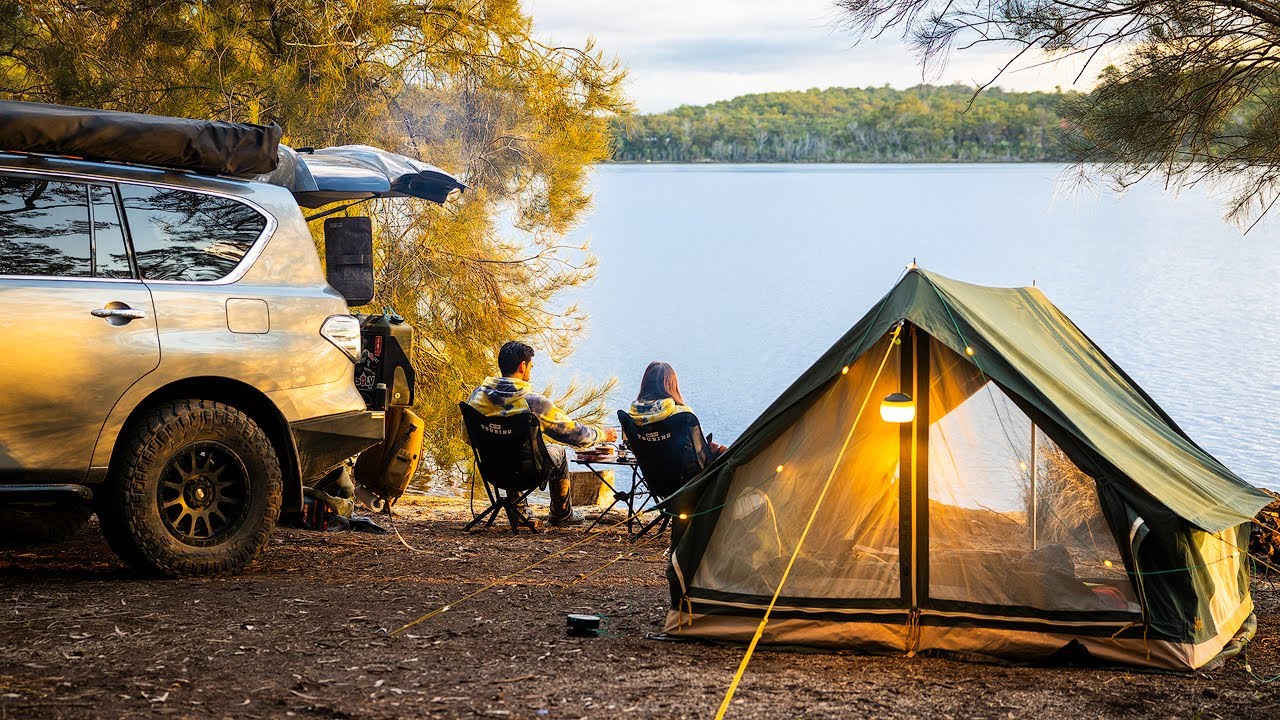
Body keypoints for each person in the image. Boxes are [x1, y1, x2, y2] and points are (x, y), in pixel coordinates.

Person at [466, 341, 616, 526]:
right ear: (523, 366)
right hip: (526, 474)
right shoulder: (532, 403)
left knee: (509, 447)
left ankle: (518, 509)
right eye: (531, 366)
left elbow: (468, 439)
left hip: (492, 470)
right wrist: (603, 435)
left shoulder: (477, 397)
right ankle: (561, 514)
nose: (530, 370)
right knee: (558, 452)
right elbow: (575, 435)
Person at [627, 361, 728, 459]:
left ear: (645, 384)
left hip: (651, 472)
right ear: (672, 386)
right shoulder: (684, 414)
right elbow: (698, 450)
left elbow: (630, 445)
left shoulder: (633, 415)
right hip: (684, 474)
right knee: (723, 452)